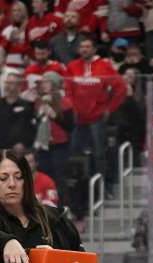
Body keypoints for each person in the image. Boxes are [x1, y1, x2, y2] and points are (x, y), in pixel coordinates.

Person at [65, 36, 123, 183]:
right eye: (82, 47)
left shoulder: (104, 66)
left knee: (99, 153)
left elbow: (120, 88)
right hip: (78, 118)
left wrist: (110, 108)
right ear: (78, 50)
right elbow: (68, 90)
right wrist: (72, 109)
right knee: (74, 152)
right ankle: (78, 185)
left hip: (97, 117)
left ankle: (102, 185)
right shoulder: (72, 66)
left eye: (88, 46)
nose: (84, 49)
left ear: (94, 49)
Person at [0, 70, 36, 151]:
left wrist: (24, 143)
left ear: (19, 86)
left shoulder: (27, 106)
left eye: (11, 83)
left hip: (18, 151)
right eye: (6, 82)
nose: (7, 86)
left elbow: (31, 129)